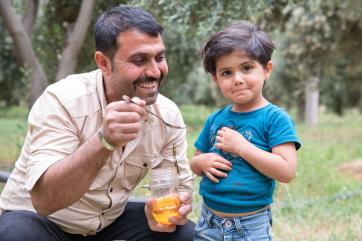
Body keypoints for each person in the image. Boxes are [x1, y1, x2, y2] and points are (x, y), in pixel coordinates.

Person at [0, 5, 194, 241]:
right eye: (139, 60)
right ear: (103, 63)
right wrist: (105, 141)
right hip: (42, 220)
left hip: (107, 221)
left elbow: (178, 187)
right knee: (17, 234)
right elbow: (45, 201)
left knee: (186, 235)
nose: (155, 71)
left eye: (160, 58)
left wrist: (177, 207)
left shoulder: (168, 115)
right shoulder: (62, 100)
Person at [190, 20, 301, 241]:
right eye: (226, 73)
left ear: (266, 70)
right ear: (216, 79)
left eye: (247, 68)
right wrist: (201, 164)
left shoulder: (275, 118)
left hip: (250, 227)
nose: (238, 79)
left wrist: (242, 147)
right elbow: (196, 160)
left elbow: (286, 171)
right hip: (208, 220)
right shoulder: (216, 119)